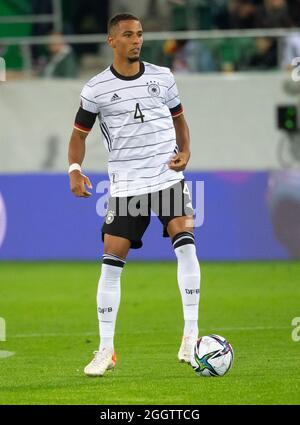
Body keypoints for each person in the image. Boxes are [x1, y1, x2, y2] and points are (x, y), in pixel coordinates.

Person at [68, 13, 201, 377]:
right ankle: (106, 350)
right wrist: (75, 170)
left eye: (140, 34)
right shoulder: (96, 89)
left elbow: (179, 120)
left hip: (166, 177)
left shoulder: (163, 77)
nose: (136, 40)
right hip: (126, 186)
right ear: (112, 41)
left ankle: (191, 335)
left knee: (185, 242)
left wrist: (185, 152)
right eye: (128, 35)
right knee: (111, 261)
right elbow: (79, 135)